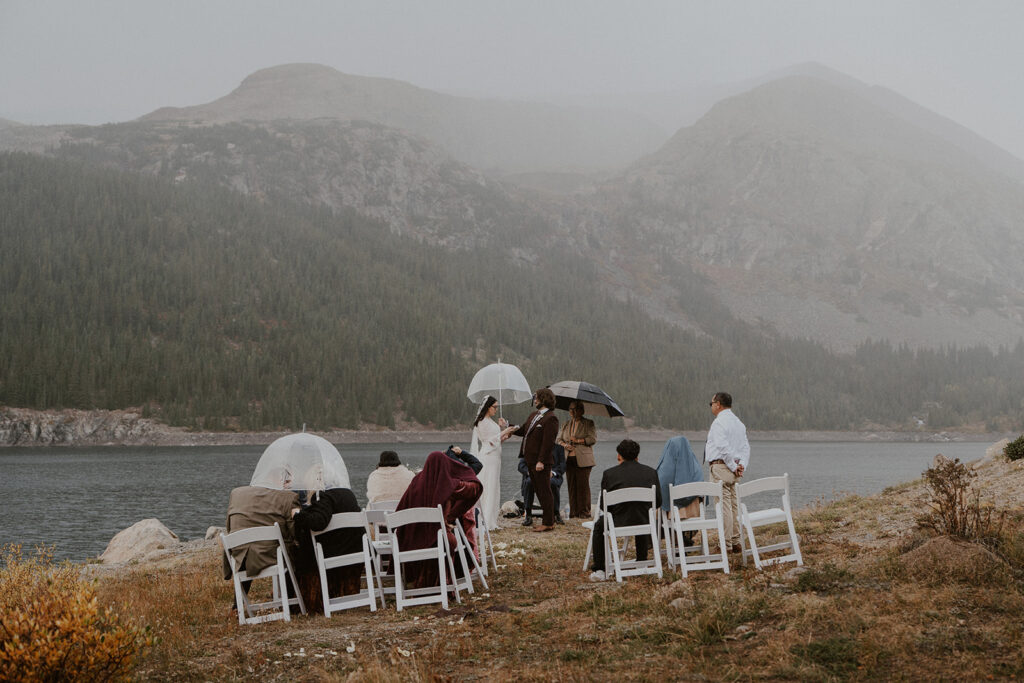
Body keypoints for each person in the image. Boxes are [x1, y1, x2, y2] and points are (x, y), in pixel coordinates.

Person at [394, 450, 483, 589]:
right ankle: (444, 583)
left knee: (441, 539)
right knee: (451, 540)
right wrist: (452, 515)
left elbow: (401, 509)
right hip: (437, 538)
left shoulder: (416, 482)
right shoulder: (448, 484)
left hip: (411, 538)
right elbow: (475, 489)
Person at [221, 468, 300, 603]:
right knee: (296, 550)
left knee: (251, 548)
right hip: (270, 556)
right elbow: (294, 533)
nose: (289, 484)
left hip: (240, 555)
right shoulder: (288, 498)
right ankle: (292, 601)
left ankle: (237, 606)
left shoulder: (237, 494)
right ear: (280, 481)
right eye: (288, 481)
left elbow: (229, 525)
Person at [589, 439, 661, 581]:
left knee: (599, 526)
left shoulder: (609, 474)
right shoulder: (651, 472)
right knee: (640, 514)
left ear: (619, 456)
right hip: (644, 522)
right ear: (637, 456)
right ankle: (641, 561)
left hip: (618, 522)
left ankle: (600, 568)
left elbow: (605, 506)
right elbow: (658, 501)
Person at [292, 481, 362, 614]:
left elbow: (318, 522)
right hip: (356, 550)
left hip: (335, 555)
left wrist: (297, 515)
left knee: (303, 551)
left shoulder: (323, 497)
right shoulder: (348, 493)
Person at [508, 388, 560, 532]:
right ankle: (547, 520)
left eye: (536, 397)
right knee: (538, 490)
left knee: (544, 491)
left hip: (540, 462)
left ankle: (548, 522)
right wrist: (508, 426)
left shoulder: (551, 418)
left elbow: (548, 443)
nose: (534, 400)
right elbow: (523, 430)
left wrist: (541, 461)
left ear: (544, 399)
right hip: (529, 460)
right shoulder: (533, 415)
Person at [705, 392, 750, 554]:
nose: (711, 407)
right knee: (733, 505)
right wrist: (741, 465)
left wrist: (732, 466)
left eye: (711, 403)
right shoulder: (739, 423)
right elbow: (745, 448)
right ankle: (737, 541)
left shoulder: (719, 423)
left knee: (723, 506)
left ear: (718, 404)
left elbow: (722, 447)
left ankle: (726, 544)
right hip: (734, 468)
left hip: (721, 467)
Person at [470, 395, 516, 531]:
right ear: (487, 407)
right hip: (487, 458)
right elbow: (489, 442)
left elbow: (496, 442)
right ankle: (484, 521)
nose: (496, 409)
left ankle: (492, 520)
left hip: (495, 458)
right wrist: (504, 431)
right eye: (494, 407)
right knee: (488, 486)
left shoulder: (491, 421)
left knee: (494, 486)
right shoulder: (482, 422)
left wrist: (505, 432)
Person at [656, 435, 704, 545]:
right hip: (694, 513)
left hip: (672, 514)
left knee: (664, 508)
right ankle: (684, 539)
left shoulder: (665, 470)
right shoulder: (696, 468)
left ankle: (677, 542)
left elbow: (661, 488)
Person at [557, 400, 597, 518]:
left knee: (583, 487)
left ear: (582, 410)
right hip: (568, 459)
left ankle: (584, 512)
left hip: (584, 460)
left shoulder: (588, 423)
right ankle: (573, 513)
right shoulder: (565, 424)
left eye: (575, 409)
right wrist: (565, 445)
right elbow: (559, 439)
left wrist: (578, 441)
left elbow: (592, 439)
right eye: (570, 409)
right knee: (571, 486)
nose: (572, 412)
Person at [518, 443, 567, 526]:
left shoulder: (559, 448)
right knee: (529, 482)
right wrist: (529, 472)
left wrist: (553, 473)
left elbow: (563, 465)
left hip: (551, 476)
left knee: (552, 483)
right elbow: (521, 465)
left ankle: (556, 514)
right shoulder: (530, 447)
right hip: (534, 475)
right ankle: (528, 515)